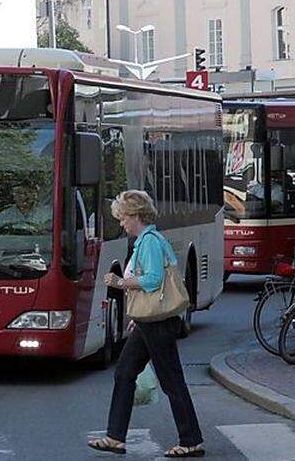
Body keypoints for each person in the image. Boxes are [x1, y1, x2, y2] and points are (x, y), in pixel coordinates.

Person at [89, 190, 204, 458]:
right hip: (149, 322)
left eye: (123, 217)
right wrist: (138, 319)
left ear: (136, 215)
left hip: (158, 323)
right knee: (125, 373)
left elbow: (152, 281)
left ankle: (191, 440)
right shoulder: (145, 240)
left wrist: (119, 283)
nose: (121, 223)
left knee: (171, 381)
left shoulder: (150, 241)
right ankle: (115, 437)